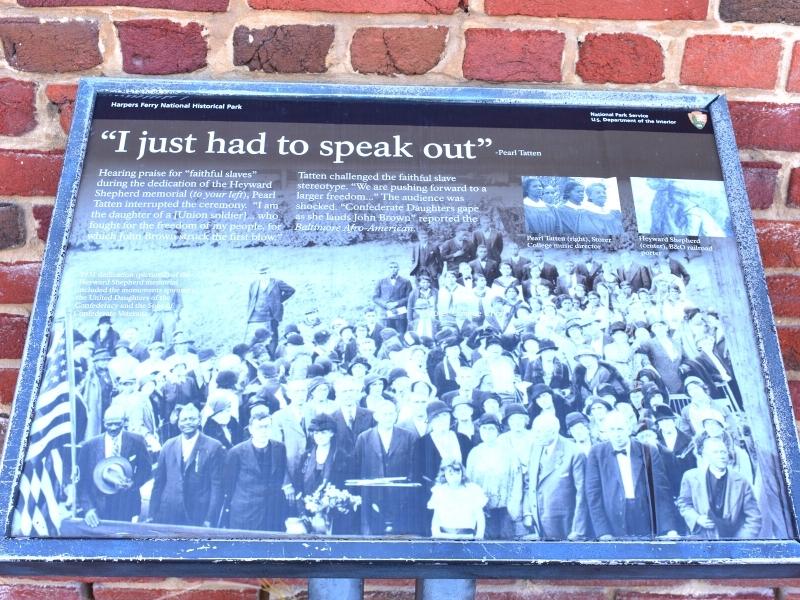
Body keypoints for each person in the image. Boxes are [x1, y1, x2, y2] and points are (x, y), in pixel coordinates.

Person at [584, 410, 679, 539]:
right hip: (613, 521)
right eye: (612, 430)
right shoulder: (596, 453)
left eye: (620, 429)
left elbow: (661, 491)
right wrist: (603, 531)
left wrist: (669, 528)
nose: (616, 434)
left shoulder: (648, 451)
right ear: (605, 432)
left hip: (645, 517)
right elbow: (593, 495)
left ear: (629, 429)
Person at [149, 404, 225, 527]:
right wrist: (151, 514)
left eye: (192, 419)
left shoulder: (213, 447)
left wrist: (210, 518)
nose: (188, 423)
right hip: (169, 513)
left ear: (199, 420)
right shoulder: (168, 445)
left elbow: (217, 487)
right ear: (178, 423)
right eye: (184, 419)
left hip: (198, 514)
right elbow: (158, 483)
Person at [77, 405, 152, 527]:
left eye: (117, 424)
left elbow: (146, 470)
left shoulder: (137, 441)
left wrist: (133, 483)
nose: (113, 428)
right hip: (98, 506)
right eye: (109, 424)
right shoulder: (89, 446)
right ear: (103, 423)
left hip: (127, 504)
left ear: (124, 421)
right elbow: (81, 482)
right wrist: (88, 509)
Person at [222, 404, 293, 531]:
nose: (264, 431)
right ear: (250, 429)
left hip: (273, 512)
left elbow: (280, 476)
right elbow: (228, 485)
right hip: (245, 513)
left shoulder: (280, 448)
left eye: (267, 427)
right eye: (259, 427)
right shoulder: (236, 452)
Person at [676, 434, 761, 539]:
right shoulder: (690, 477)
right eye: (715, 452)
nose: (721, 456)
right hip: (701, 539)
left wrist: (739, 542)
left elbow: (754, 517)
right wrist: (697, 518)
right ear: (705, 455)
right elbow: (684, 504)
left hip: (733, 539)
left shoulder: (741, 481)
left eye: (723, 452)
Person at [353, 398, 417, 535]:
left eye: (391, 414)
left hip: (400, 495)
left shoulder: (408, 437)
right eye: (384, 414)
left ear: (396, 415)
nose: (388, 417)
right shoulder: (364, 438)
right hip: (372, 495)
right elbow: (357, 467)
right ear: (376, 416)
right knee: (374, 534)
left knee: (400, 534)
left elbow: (413, 466)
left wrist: (407, 491)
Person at [522, 414, 588, 540]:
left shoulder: (574, 453)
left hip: (564, 526)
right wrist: (528, 512)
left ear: (553, 431)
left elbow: (582, 495)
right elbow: (529, 483)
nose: (535, 435)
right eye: (534, 430)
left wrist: (578, 530)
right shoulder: (536, 447)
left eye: (539, 431)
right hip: (539, 525)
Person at [429, 460, 487, 539]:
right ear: (444, 474)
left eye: (458, 473)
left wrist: (479, 536)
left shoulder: (472, 490)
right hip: (445, 537)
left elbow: (480, 516)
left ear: (462, 473)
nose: (455, 477)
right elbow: (436, 518)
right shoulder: (440, 491)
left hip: (467, 536)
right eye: (451, 473)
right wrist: (435, 534)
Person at [246, 265, 295, 352]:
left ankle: (272, 355)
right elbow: (251, 299)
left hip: (272, 315)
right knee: (256, 335)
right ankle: (256, 352)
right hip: (256, 316)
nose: (264, 275)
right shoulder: (253, 284)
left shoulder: (277, 282)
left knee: (272, 336)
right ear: (258, 274)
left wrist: (278, 301)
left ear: (269, 273)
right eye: (261, 273)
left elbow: (291, 290)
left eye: (266, 273)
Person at [373, 261, 413, 334]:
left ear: (398, 269)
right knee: (387, 334)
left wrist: (397, 303)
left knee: (401, 334)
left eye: (395, 267)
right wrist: (386, 304)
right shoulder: (381, 281)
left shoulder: (406, 282)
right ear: (388, 269)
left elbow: (409, 297)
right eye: (391, 267)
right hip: (385, 313)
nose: (393, 269)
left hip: (400, 314)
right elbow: (375, 297)